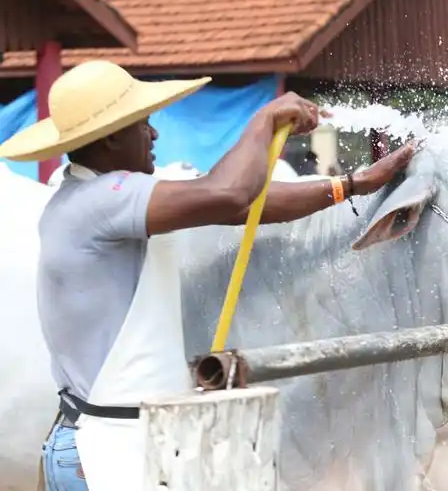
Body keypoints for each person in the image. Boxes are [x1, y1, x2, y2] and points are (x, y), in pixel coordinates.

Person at [0, 60, 415, 491]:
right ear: (109, 139)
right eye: (143, 124)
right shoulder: (100, 201)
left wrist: (352, 184)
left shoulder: (97, 195)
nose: (154, 134)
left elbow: (245, 204)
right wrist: (264, 121)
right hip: (105, 452)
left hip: (119, 443)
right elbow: (228, 194)